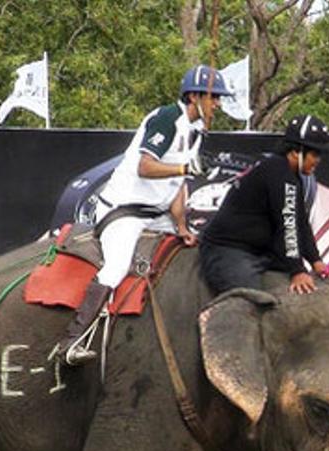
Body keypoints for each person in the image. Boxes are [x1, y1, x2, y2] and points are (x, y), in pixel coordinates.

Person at [59, 64, 232, 366]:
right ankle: (72, 342)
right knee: (116, 267)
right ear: (193, 96)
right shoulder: (167, 119)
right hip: (122, 210)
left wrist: (180, 225)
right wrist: (186, 168)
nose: (217, 103)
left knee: (184, 252)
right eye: (213, 97)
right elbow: (146, 167)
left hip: (156, 214)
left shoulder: (196, 133)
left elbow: (178, 187)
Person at [199, 114, 329, 295]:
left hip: (260, 252)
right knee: (249, 302)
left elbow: (300, 223)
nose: (318, 160)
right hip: (229, 250)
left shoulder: (292, 176)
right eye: (315, 154)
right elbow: (288, 226)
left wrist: (316, 261)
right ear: (296, 151)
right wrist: (297, 270)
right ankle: (211, 320)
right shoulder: (278, 173)